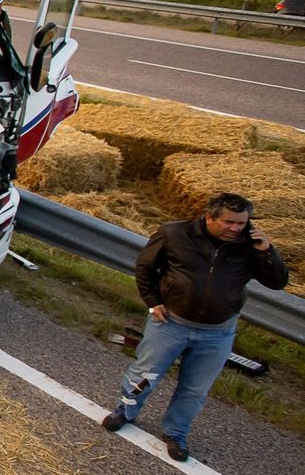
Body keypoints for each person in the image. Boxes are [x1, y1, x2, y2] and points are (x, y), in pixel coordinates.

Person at [101, 193, 288, 461]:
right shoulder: (174, 233)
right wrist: (153, 302)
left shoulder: (250, 246)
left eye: (242, 223)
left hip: (217, 332)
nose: (236, 229)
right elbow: (145, 267)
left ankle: (176, 433)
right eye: (229, 222)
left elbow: (277, 282)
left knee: (195, 389)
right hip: (170, 324)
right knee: (144, 375)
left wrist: (266, 251)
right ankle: (125, 411)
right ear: (209, 217)